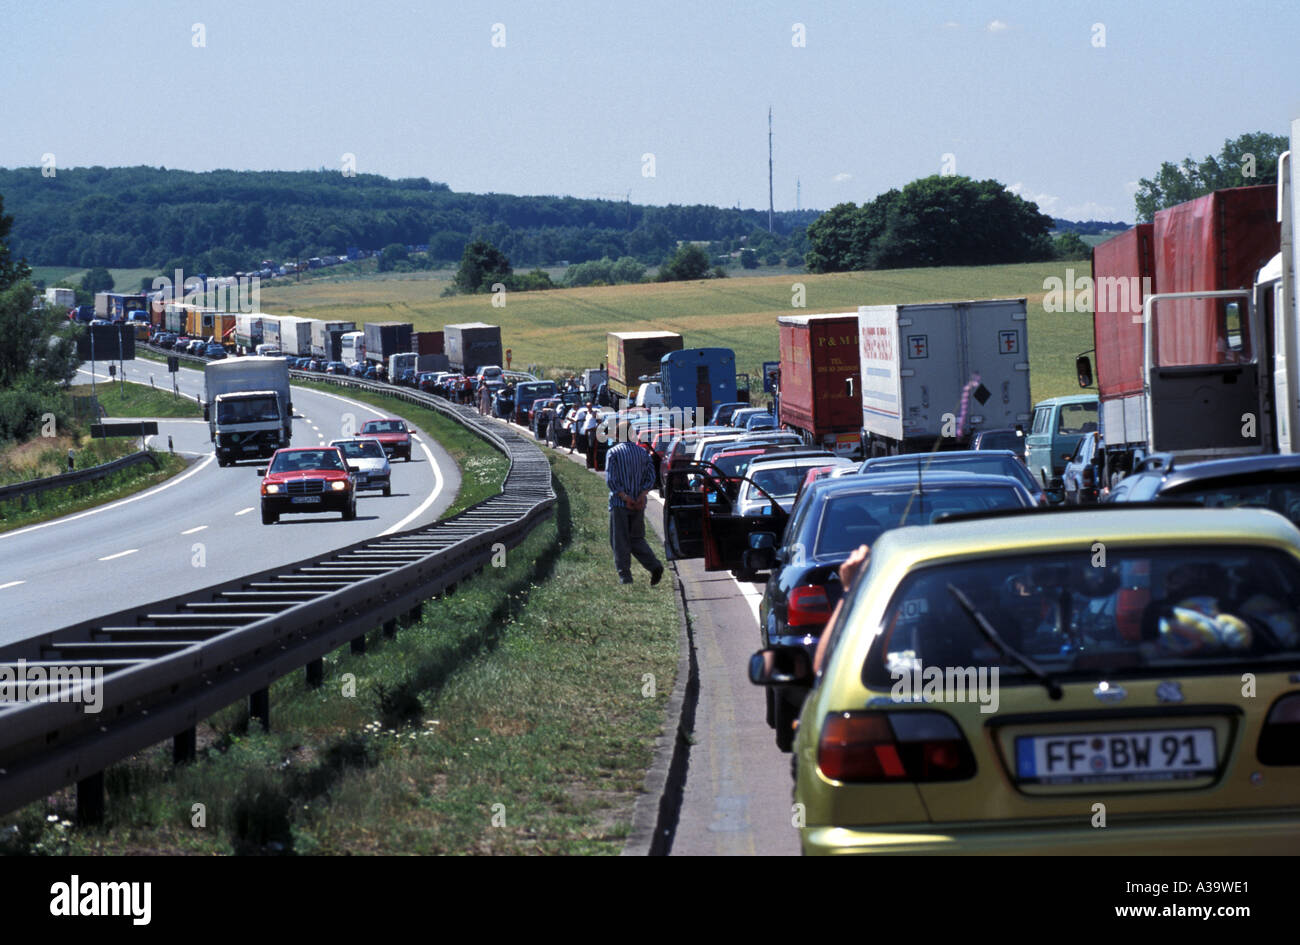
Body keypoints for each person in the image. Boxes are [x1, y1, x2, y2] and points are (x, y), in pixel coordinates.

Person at [605, 438, 664, 586]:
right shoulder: (643, 452)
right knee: (637, 538)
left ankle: (625, 576)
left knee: (620, 540)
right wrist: (641, 496)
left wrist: (625, 498)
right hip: (638, 503)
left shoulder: (613, 453)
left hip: (620, 503)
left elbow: (611, 480)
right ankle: (654, 565)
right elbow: (651, 477)